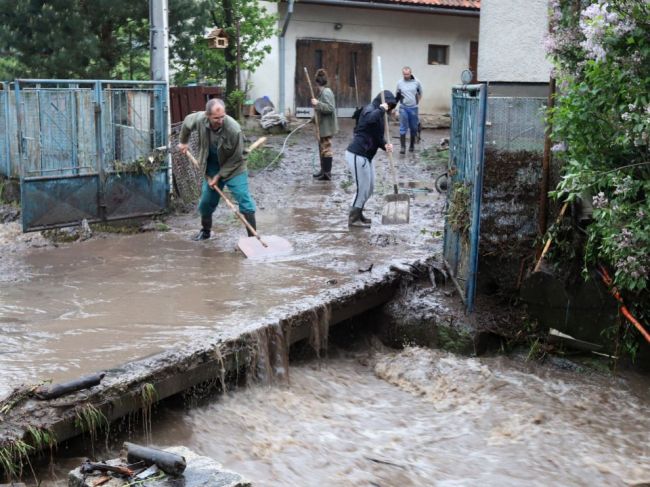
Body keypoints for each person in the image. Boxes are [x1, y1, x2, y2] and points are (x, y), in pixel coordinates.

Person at [177, 98, 256, 241]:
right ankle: (205, 232)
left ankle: (252, 238)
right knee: (205, 202)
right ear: (207, 116)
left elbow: (236, 158)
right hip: (211, 166)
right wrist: (183, 142)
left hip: (234, 166)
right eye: (216, 118)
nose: (220, 121)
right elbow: (187, 122)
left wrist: (219, 176)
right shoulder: (200, 119)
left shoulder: (234, 129)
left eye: (222, 117)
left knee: (244, 201)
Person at [344, 90, 396, 227]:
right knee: (362, 188)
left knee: (370, 187)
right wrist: (381, 109)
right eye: (388, 105)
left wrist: (385, 145)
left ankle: (359, 213)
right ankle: (353, 218)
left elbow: (377, 137)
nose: (389, 109)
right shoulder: (370, 109)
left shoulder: (380, 116)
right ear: (382, 102)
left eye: (391, 107)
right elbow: (368, 119)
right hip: (357, 154)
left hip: (367, 156)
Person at [311, 68, 339, 181]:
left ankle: (327, 173)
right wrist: (313, 119)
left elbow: (330, 108)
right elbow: (319, 110)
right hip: (322, 126)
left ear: (317, 82)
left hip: (327, 127)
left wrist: (318, 103)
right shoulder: (322, 92)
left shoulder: (326, 92)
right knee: (322, 148)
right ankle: (323, 170)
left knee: (326, 149)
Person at [396, 66, 423, 154]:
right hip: (403, 107)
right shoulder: (400, 83)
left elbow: (420, 93)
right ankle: (403, 147)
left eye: (407, 74)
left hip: (413, 108)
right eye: (404, 74)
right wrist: (394, 107)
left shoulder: (417, 82)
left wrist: (416, 102)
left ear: (411, 73)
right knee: (403, 127)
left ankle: (412, 145)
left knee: (414, 128)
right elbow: (397, 95)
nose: (406, 76)